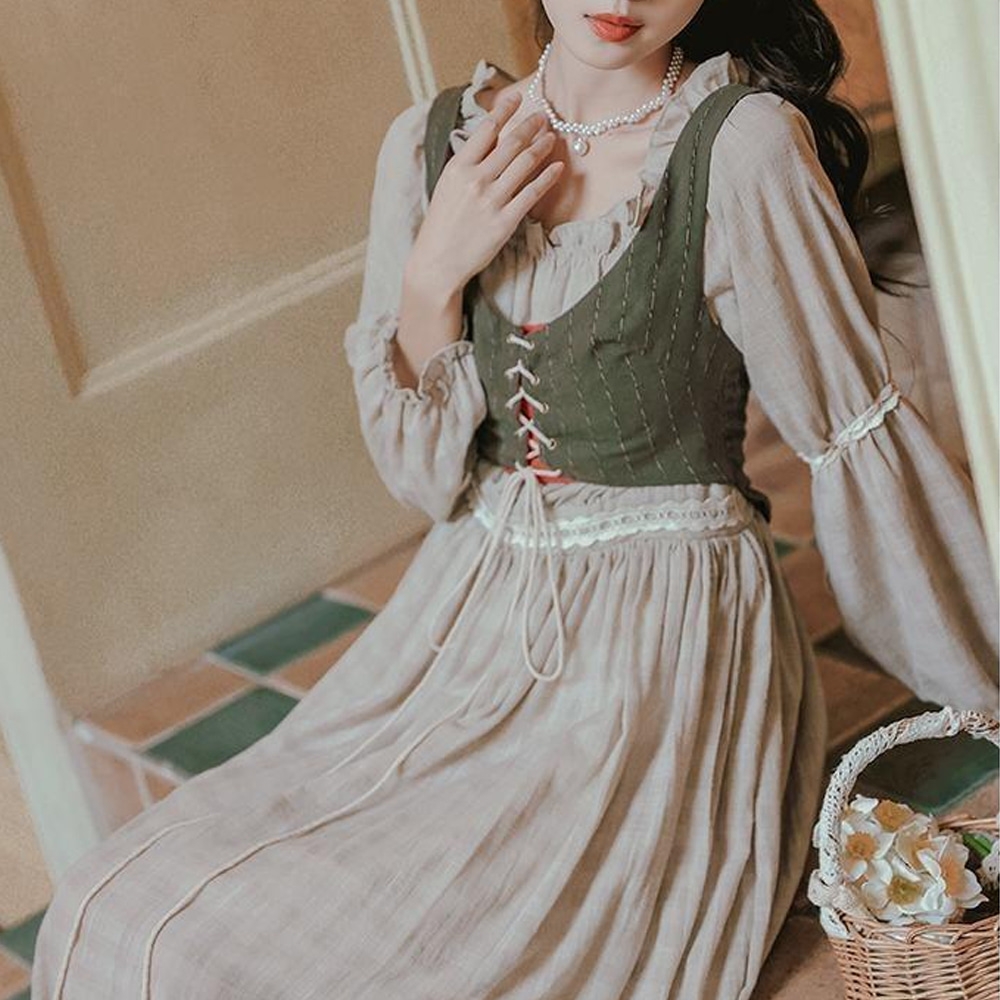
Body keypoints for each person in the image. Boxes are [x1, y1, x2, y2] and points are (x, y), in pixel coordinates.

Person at [31, 1, 999, 997]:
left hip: (657, 642)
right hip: (461, 616)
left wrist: (978, 679)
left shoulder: (742, 146)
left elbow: (852, 438)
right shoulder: (426, 143)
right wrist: (433, 275)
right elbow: (423, 479)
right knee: (121, 904)